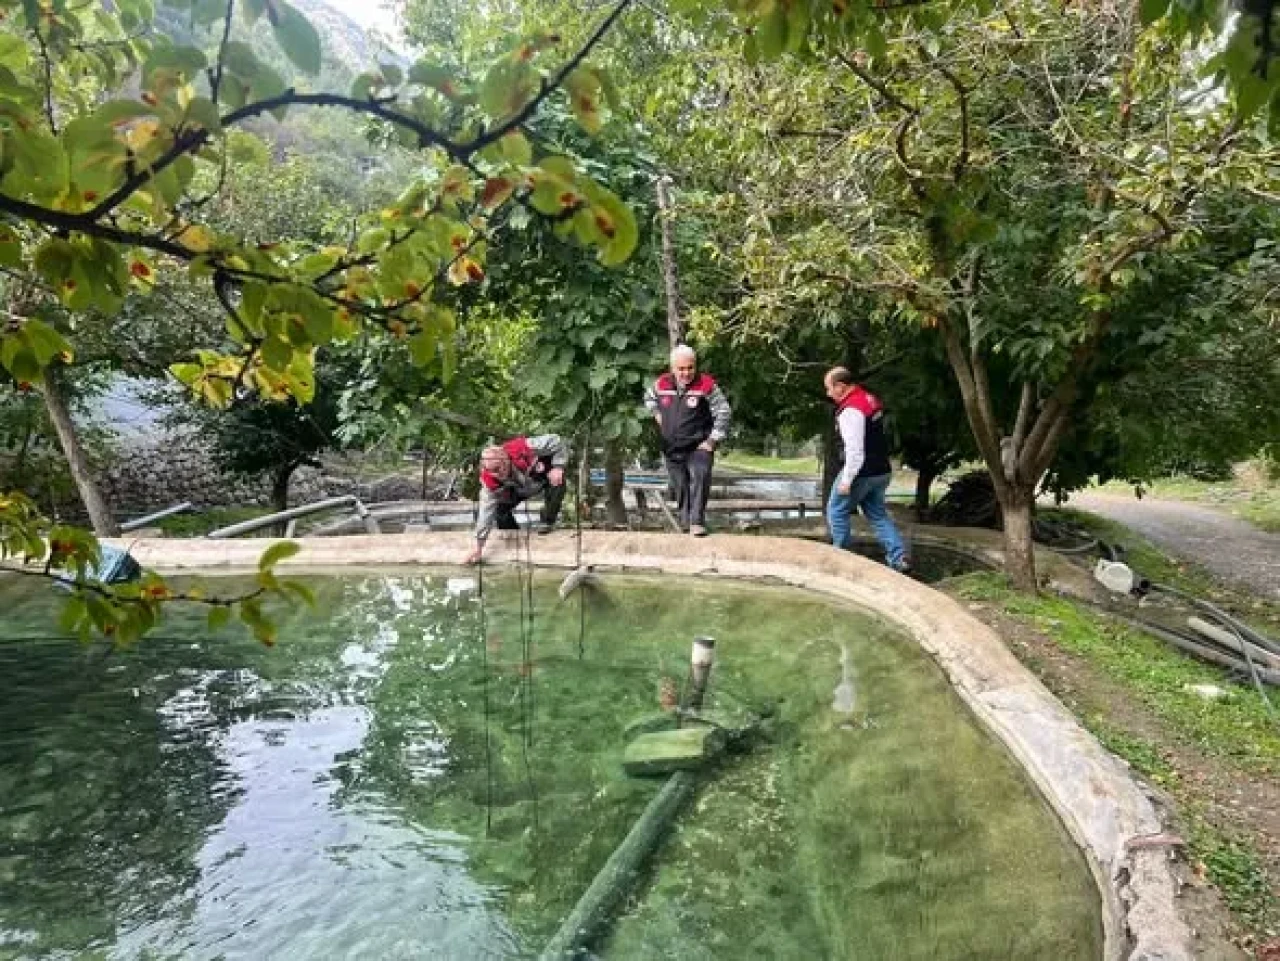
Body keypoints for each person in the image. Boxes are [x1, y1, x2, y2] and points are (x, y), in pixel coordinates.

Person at [823, 367, 911, 573]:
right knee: (878, 515)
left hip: (861, 472)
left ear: (840, 387)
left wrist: (847, 481)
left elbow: (855, 450)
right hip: (882, 470)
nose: (827, 393)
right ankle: (899, 558)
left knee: (836, 510)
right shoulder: (868, 398)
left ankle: (840, 560)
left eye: (829, 388)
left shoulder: (850, 410)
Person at [644, 345, 732, 536]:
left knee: (700, 474)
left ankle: (697, 522)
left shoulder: (706, 385)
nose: (686, 373)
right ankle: (685, 522)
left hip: (698, 445)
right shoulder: (661, 384)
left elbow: (724, 411)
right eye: (681, 369)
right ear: (673, 368)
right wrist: (658, 415)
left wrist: (712, 440)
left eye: (690, 367)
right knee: (681, 485)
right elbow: (648, 398)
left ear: (695, 366)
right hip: (671, 447)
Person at [463, 434, 568, 565]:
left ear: (506, 460)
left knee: (559, 481)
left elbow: (555, 440)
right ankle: (514, 537)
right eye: (489, 470)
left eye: (497, 469)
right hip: (515, 491)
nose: (494, 474)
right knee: (498, 511)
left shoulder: (524, 448)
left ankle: (547, 521)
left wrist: (558, 466)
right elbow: (485, 513)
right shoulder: (488, 480)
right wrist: (478, 547)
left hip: (541, 479)